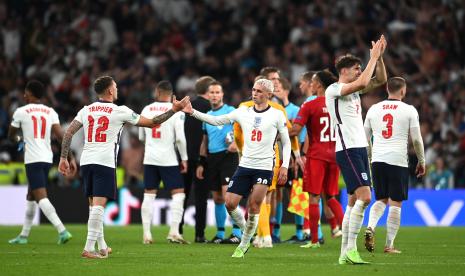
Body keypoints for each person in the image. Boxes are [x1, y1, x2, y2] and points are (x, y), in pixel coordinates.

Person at [58, 76, 189, 259]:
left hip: (86, 161)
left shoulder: (86, 110)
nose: (118, 89)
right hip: (104, 162)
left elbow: (68, 133)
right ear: (110, 91)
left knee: (92, 205)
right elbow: (153, 123)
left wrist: (64, 157)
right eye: (116, 87)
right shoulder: (120, 111)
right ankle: (88, 248)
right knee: (99, 206)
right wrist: (174, 110)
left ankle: (102, 245)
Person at [183, 78, 291, 258]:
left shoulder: (277, 114)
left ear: (269, 95)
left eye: (259, 91)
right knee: (229, 203)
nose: (254, 93)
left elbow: (286, 143)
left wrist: (285, 166)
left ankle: (243, 243)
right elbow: (216, 120)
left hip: (265, 167)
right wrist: (192, 112)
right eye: (254, 90)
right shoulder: (242, 112)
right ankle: (249, 233)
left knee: (254, 204)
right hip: (245, 165)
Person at [325, 35, 387, 264]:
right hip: (348, 149)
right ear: (344, 71)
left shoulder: (352, 91)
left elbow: (380, 80)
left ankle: (344, 254)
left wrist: (378, 59)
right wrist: (371, 57)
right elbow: (362, 83)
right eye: (356, 68)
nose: (360, 71)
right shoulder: (334, 89)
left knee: (352, 201)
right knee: (365, 197)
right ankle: (351, 248)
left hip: (360, 148)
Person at [233, 73, 303, 248]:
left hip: (252, 159)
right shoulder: (277, 110)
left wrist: (241, 152)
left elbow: (237, 135)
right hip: (272, 159)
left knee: (257, 199)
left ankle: (263, 236)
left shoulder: (244, 107)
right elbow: (290, 136)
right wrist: (297, 155)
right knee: (265, 197)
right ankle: (265, 236)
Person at [8, 80, 75, 245]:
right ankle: (23, 236)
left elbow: (11, 135)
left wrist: (20, 140)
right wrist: (70, 156)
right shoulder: (50, 111)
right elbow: (61, 136)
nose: (24, 95)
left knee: (40, 197)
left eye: (25, 92)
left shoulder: (21, 111)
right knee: (31, 195)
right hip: (47, 158)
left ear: (30, 93)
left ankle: (62, 231)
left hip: (33, 158)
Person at [364, 77, 426, 254]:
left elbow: (365, 138)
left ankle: (370, 227)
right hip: (397, 160)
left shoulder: (373, 109)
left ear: (387, 89)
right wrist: (422, 161)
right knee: (396, 202)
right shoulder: (409, 110)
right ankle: (389, 245)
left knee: (381, 198)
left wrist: (370, 158)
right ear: (403, 91)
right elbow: (416, 139)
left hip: (377, 159)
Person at [289, 70, 345, 249]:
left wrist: (276, 132)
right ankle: (348, 235)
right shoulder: (339, 103)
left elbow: (296, 131)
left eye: (313, 82)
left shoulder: (310, 105)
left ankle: (313, 241)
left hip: (316, 156)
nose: (310, 85)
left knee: (314, 197)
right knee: (330, 197)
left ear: (319, 85)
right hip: (335, 155)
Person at [139, 80, 189, 244]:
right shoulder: (176, 111)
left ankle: (147, 234)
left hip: (150, 157)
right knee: (179, 193)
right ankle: (174, 231)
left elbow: (141, 136)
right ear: (171, 94)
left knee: (149, 193)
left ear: (157, 92)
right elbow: (180, 138)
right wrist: (184, 158)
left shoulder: (146, 109)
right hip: (168, 158)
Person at [196, 80, 241, 244]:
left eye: (217, 92)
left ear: (222, 94)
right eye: (212, 93)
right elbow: (204, 142)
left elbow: (242, 129)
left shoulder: (231, 111)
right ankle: (220, 233)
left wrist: (237, 143)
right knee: (217, 198)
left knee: (228, 195)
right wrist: (201, 162)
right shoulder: (207, 116)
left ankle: (237, 232)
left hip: (228, 158)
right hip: (212, 159)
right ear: (208, 95)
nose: (214, 95)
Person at [181, 76, 214, 243]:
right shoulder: (212, 108)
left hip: (183, 157)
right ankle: (199, 235)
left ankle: (176, 231)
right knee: (201, 197)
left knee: (182, 195)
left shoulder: (185, 107)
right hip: (203, 158)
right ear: (209, 90)